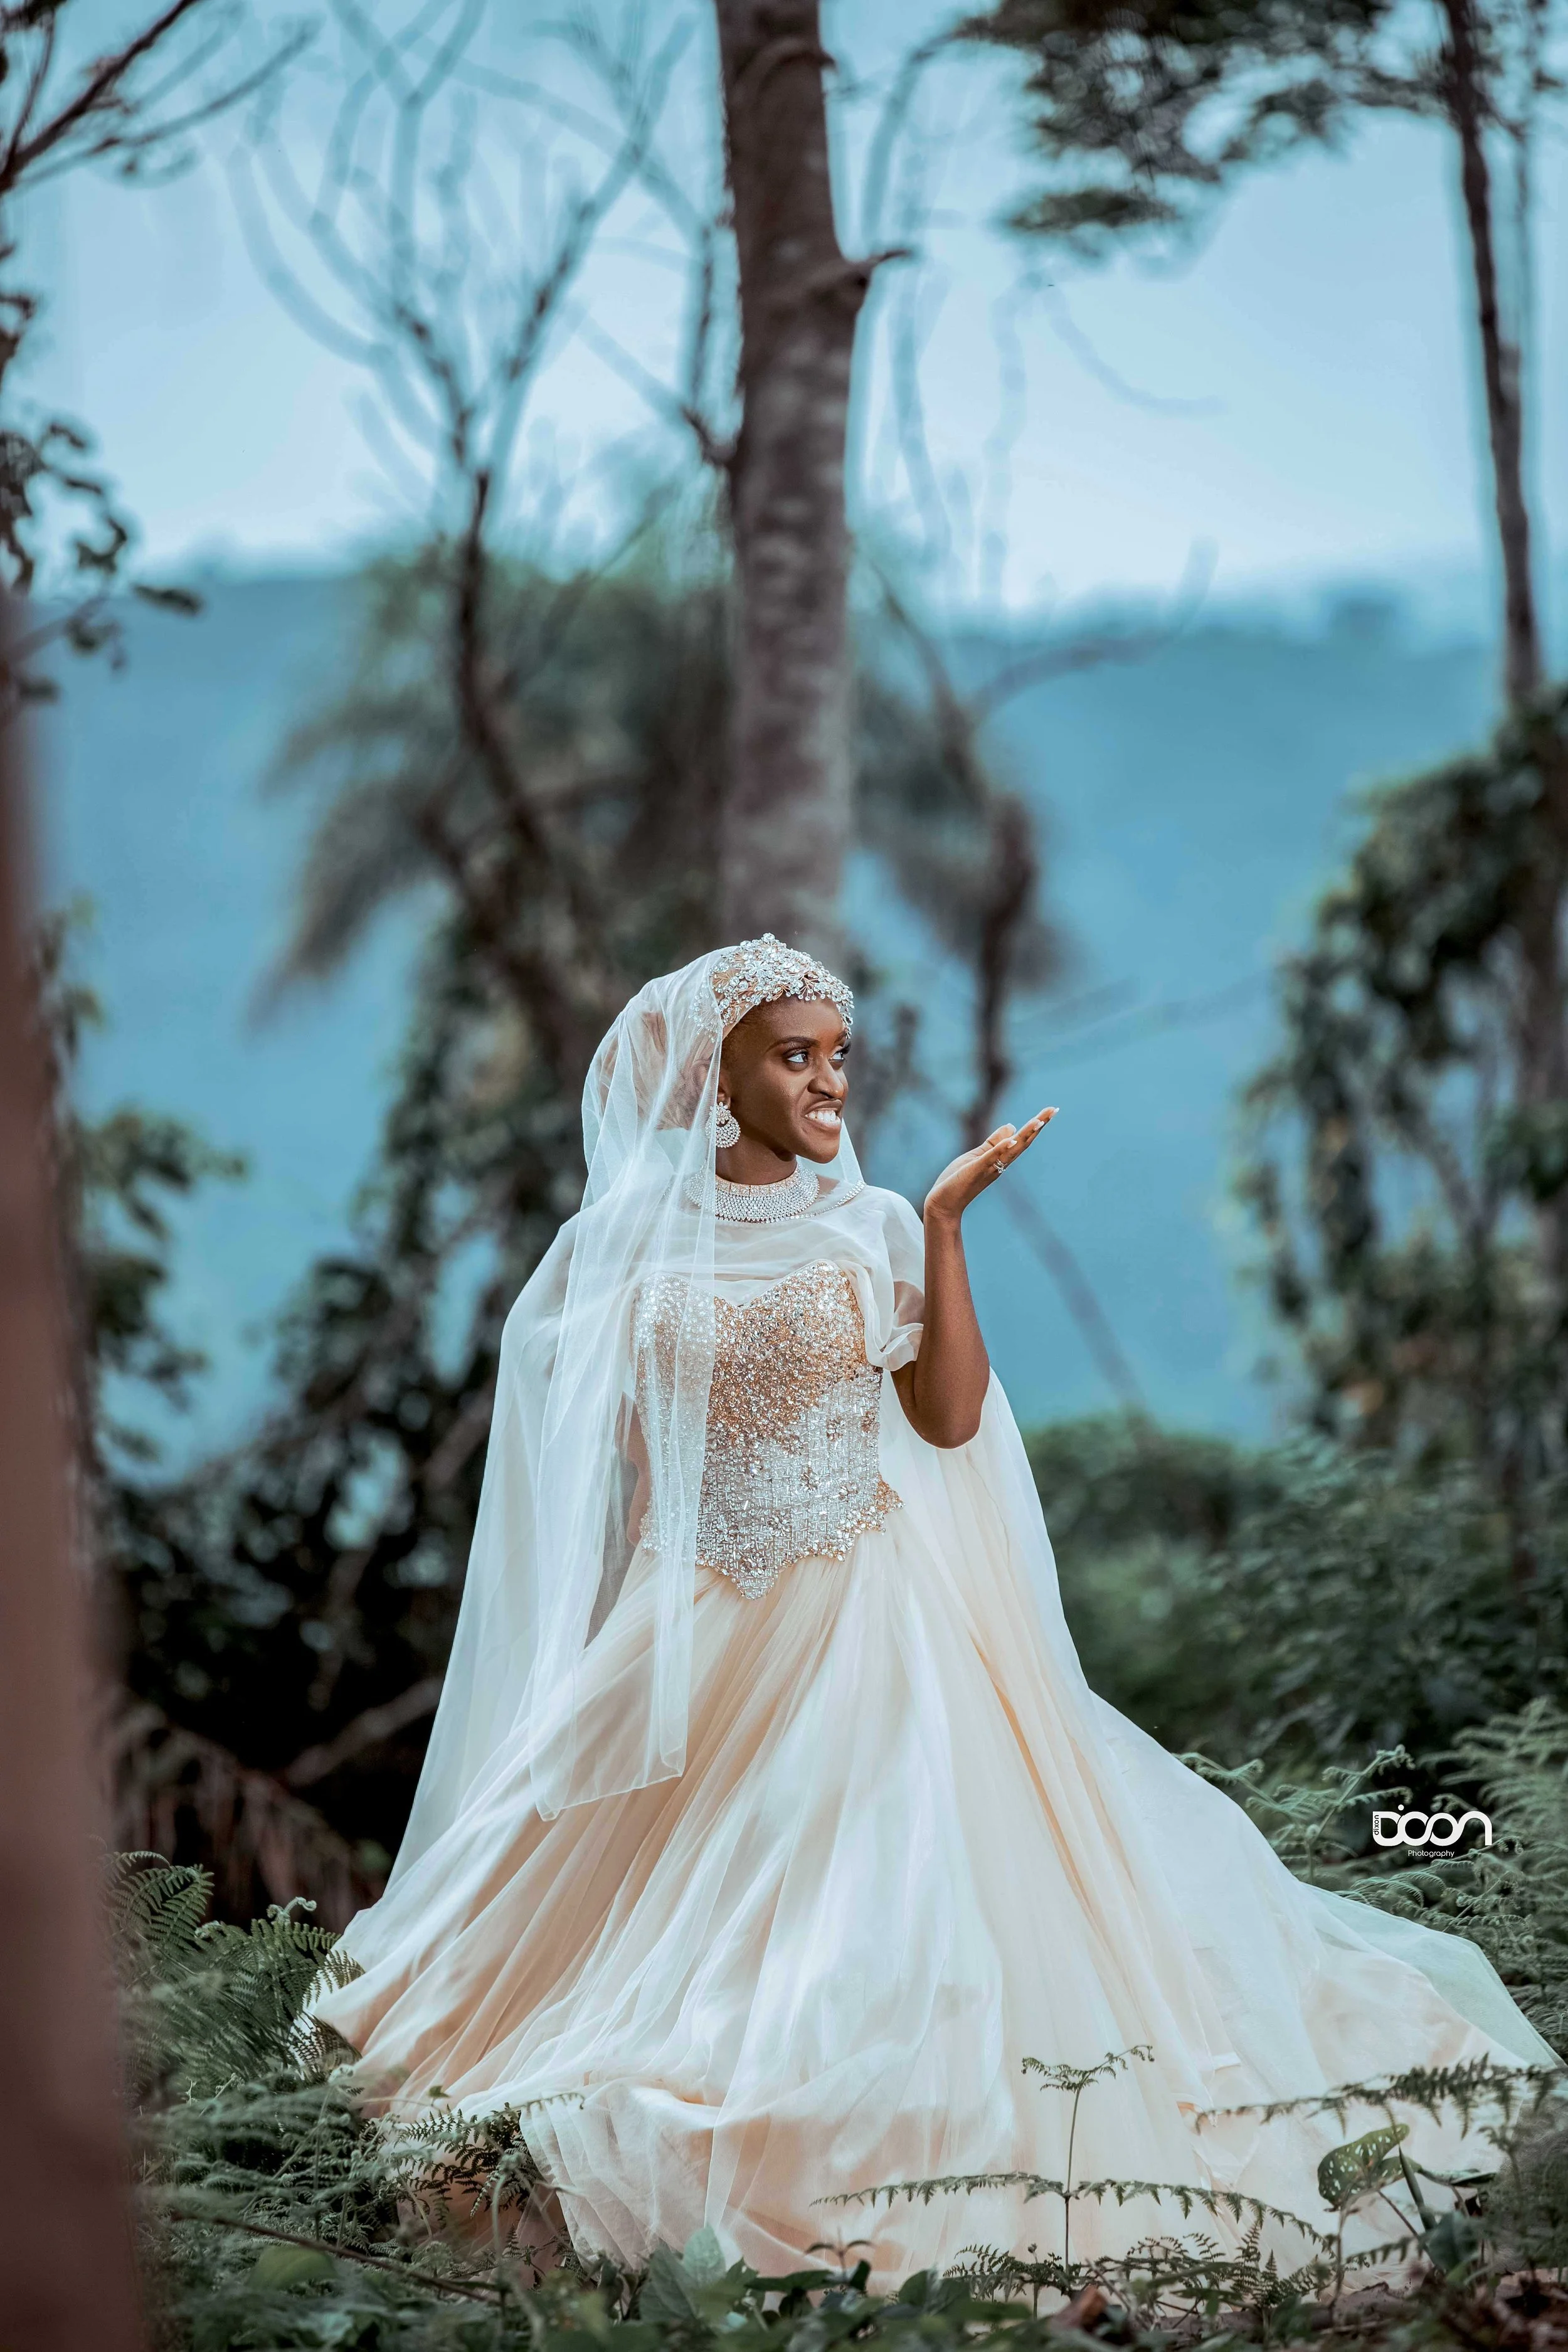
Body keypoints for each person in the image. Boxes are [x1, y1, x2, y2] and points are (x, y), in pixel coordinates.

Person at [315, 936, 1557, 2289]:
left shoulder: (872, 1225)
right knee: (590, 1934)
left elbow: (947, 1416)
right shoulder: (612, 1249)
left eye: (835, 1055)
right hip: (691, 1617)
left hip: (868, 1607)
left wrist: (948, 1224)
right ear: (713, 1076)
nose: (826, 1082)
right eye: (791, 1056)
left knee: (887, 1902)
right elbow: (607, 1482)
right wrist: (612, 1661)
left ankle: (872, 2163)